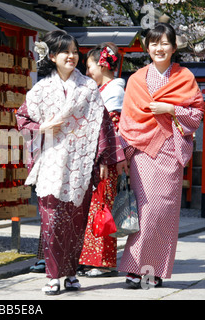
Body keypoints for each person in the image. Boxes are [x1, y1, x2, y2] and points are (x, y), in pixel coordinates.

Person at [16, 30, 126, 295]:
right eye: (66, 52)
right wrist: (44, 126)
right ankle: (53, 275)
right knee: (52, 220)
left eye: (75, 52)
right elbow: (22, 120)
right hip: (51, 161)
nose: (72, 56)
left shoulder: (88, 88)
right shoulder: (41, 89)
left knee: (76, 222)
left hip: (81, 162)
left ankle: (71, 272)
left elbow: (102, 126)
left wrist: (103, 158)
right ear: (53, 56)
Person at [118, 22, 204, 288]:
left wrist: (170, 108)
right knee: (142, 211)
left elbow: (196, 115)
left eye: (164, 43)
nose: (159, 48)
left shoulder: (185, 77)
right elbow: (128, 119)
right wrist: (123, 154)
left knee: (162, 213)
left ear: (174, 47)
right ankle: (135, 269)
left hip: (168, 150)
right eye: (153, 43)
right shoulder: (135, 79)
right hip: (140, 152)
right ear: (147, 47)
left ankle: (153, 271)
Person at [77, 42, 125, 277]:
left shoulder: (114, 92)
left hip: (106, 160)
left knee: (102, 209)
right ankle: (90, 259)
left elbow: (113, 131)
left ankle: (104, 262)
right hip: (95, 159)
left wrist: (105, 159)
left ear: (102, 64)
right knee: (93, 209)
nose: (87, 73)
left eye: (89, 67)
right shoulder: (103, 90)